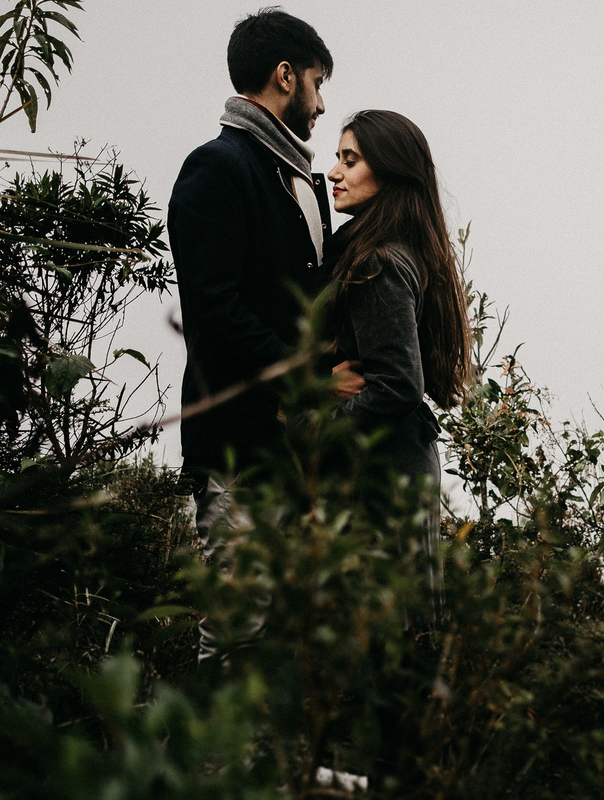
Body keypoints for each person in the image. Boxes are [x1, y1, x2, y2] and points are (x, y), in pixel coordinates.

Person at [168, 8, 361, 551]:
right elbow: (214, 309)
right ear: (285, 75)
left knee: (293, 631)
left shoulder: (306, 182)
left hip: (302, 453)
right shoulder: (216, 168)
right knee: (238, 631)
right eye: (317, 83)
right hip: (237, 452)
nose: (322, 103)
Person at [324, 110, 473, 547]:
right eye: (338, 158)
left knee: (373, 612)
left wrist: (318, 431)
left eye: (350, 161)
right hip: (398, 469)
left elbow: (398, 385)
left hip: (380, 479)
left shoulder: (378, 261)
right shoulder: (404, 251)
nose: (334, 172)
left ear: (391, 171)